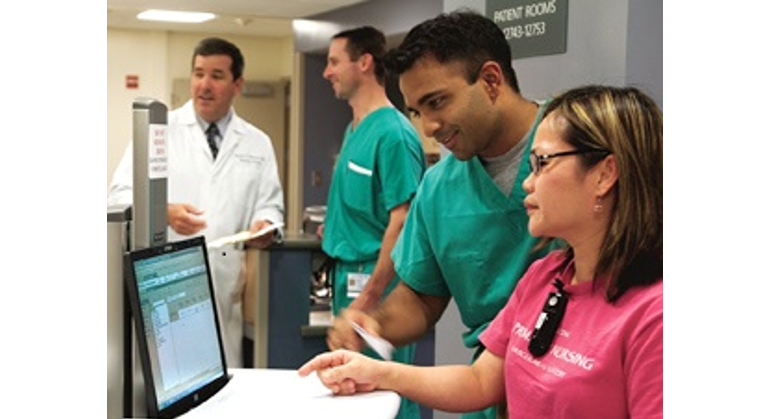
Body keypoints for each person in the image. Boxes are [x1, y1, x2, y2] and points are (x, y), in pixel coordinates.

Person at [300, 84, 664, 419]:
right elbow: (480, 381)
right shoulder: (545, 277)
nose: (527, 181)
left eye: (542, 163)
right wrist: (377, 373)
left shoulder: (654, 316)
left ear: (605, 175)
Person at [324, 10, 553, 419]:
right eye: (416, 111)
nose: (428, 127)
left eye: (436, 102)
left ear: (490, 80)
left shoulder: (577, 145)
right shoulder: (439, 187)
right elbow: (422, 295)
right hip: (486, 392)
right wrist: (375, 323)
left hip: (575, 384)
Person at [107, 37, 285, 368]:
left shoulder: (257, 143)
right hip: (168, 284)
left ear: (237, 84)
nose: (204, 85)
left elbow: (271, 206)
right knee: (168, 384)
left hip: (225, 287)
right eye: (198, 73)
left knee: (221, 386)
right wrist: (164, 212)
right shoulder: (160, 131)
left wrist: (265, 226)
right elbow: (117, 198)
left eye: (217, 76)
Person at [319, 26, 427, 419]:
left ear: (364, 62)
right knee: (351, 390)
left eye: (333, 62)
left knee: (386, 390)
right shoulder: (354, 128)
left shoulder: (394, 134)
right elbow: (369, 207)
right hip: (350, 274)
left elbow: (403, 221)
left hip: (376, 281)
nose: (326, 72)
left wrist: (368, 299)